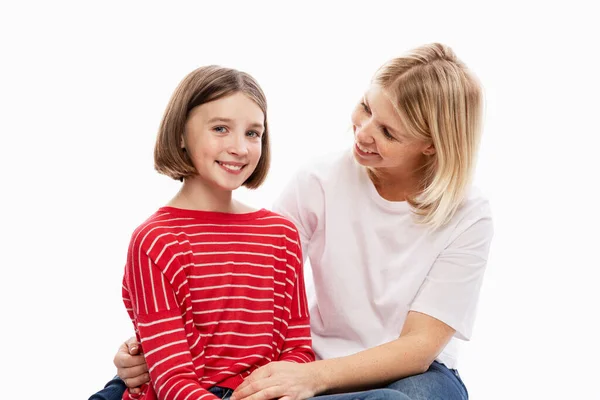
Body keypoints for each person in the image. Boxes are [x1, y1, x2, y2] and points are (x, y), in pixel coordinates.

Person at [96, 42, 493, 400]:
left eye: (388, 132)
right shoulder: (321, 179)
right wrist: (147, 347)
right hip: (308, 362)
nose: (363, 132)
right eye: (367, 108)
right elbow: (242, 285)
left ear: (430, 145)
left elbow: (418, 348)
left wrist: (313, 378)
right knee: (130, 386)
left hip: (410, 372)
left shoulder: (467, 213)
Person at [96, 65, 317, 400]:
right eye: (220, 129)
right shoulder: (155, 240)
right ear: (181, 135)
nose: (240, 148)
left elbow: (298, 350)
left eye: (252, 133)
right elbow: (172, 379)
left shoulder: (280, 234)